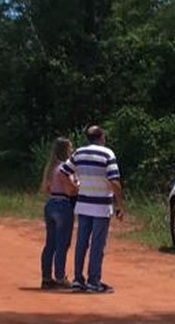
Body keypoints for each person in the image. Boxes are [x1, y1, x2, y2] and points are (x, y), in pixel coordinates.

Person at [60, 125, 127, 293]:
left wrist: (74, 188)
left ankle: (78, 279)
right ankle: (93, 281)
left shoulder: (79, 153)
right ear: (101, 137)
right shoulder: (107, 154)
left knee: (81, 243)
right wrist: (120, 205)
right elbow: (114, 181)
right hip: (101, 206)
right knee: (97, 244)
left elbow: (63, 172)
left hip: (83, 204)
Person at [39, 137, 79, 290]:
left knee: (50, 243)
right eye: (70, 148)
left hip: (51, 203)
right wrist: (79, 186)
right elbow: (70, 190)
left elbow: (46, 188)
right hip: (63, 204)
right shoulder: (64, 168)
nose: (72, 151)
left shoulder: (51, 168)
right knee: (62, 243)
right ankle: (60, 277)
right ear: (65, 150)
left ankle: (46, 277)